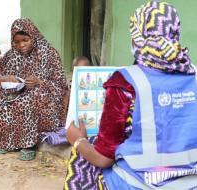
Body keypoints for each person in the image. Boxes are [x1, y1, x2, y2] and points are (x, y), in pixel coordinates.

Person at [64, 1, 197, 189]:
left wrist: (77, 140)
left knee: (82, 160)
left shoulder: (124, 83)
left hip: (138, 183)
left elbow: (103, 159)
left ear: (137, 38)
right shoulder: (195, 77)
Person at [0, 18, 67, 161]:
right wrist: (6, 78)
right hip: (18, 92)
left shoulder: (49, 54)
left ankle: (29, 144)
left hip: (44, 98)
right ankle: (5, 141)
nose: (21, 45)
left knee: (30, 97)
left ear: (33, 37)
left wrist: (39, 82)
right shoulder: (11, 55)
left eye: (25, 40)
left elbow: (60, 85)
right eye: (17, 42)